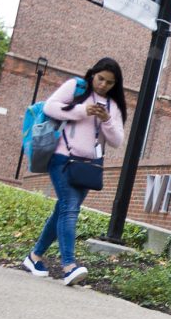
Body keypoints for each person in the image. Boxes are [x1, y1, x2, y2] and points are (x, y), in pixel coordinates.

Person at [23, 58, 127, 285]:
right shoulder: (76, 88)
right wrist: (82, 110)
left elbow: (117, 140)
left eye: (109, 82)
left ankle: (34, 257)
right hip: (61, 158)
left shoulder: (113, 106)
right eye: (100, 79)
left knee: (63, 209)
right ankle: (69, 265)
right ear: (93, 75)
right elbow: (50, 106)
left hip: (87, 166)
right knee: (70, 209)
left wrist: (106, 119)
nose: (103, 85)